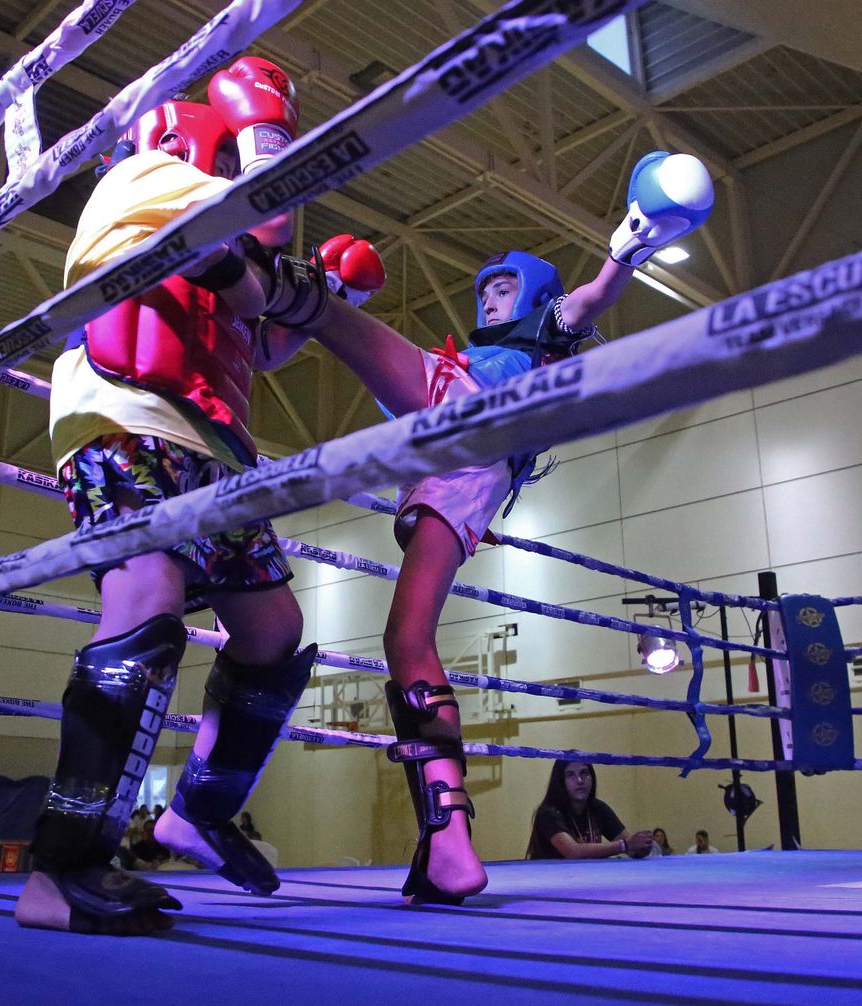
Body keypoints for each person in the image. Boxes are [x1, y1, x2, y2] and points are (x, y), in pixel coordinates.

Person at [296, 150, 713, 903]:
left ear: (530, 294)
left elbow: (587, 302)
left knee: (319, 309)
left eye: (503, 287)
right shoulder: (486, 351)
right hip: (460, 474)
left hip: (468, 421)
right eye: (485, 288)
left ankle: (269, 284)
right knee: (407, 640)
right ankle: (447, 841)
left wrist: (630, 242)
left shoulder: (537, 339)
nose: (490, 299)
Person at [16, 57, 328, 937]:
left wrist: (314, 302)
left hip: (210, 438)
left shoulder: (214, 218)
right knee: (147, 596)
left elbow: (256, 337)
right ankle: (62, 867)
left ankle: (195, 810)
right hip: (126, 414)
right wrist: (271, 130)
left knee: (271, 630)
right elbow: (260, 243)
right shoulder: (149, 173)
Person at [526, 760, 657, 860]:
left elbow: (631, 846)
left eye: (584, 773)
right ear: (560, 781)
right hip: (549, 884)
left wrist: (643, 845)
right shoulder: (549, 813)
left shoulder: (598, 808)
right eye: (571, 775)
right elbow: (573, 852)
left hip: (586, 881)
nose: (579, 780)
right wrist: (624, 845)